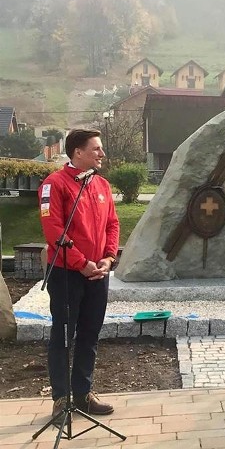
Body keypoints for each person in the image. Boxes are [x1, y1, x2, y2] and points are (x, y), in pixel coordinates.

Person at [39, 128, 120, 417]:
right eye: (96, 149)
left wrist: (108, 258)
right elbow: (53, 230)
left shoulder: (101, 185)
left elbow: (113, 224)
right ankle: (61, 399)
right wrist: (80, 263)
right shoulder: (54, 184)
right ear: (77, 152)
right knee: (63, 336)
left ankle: (84, 394)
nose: (102, 154)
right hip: (66, 273)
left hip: (98, 273)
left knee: (89, 334)